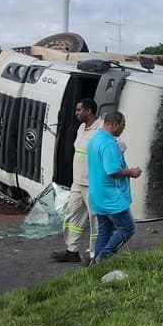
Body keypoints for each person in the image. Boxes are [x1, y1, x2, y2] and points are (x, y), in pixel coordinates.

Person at [51, 98, 102, 263]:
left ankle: (96, 255)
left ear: (89, 111)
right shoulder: (81, 128)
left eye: (79, 110)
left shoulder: (101, 129)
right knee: (72, 216)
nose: (76, 113)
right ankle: (72, 251)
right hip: (78, 182)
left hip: (93, 184)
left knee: (96, 221)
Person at [87, 111, 142, 263]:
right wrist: (131, 172)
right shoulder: (108, 143)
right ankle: (103, 257)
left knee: (105, 231)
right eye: (123, 126)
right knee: (128, 228)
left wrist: (119, 151)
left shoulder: (95, 139)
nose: (123, 129)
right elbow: (112, 171)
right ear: (115, 124)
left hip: (97, 195)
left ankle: (96, 265)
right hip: (111, 197)